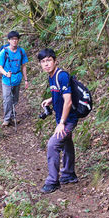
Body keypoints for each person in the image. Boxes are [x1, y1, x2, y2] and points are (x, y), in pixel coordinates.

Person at [37, 48, 80, 193]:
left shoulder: (61, 75)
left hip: (68, 119)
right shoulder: (51, 76)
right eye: (43, 61)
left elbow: (68, 101)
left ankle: (52, 181)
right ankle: (69, 174)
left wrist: (61, 123)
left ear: (55, 61)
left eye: (49, 60)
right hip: (61, 118)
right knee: (67, 143)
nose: (46, 64)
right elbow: (60, 92)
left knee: (52, 145)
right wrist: (50, 99)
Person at [0, 31, 28, 126]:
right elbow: (0, 67)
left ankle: (13, 116)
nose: (14, 41)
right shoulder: (4, 52)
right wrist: (6, 73)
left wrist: (26, 80)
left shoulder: (21, 51)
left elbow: (24, 66)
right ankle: (7, 119)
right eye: (12, 39)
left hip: (17, 79)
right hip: (7, 80)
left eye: (16, 39)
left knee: (15, 99)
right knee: (7, 99)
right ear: (8, 40)